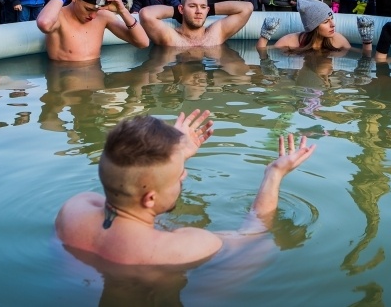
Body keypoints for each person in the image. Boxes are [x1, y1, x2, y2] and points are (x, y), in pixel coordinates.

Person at [55, 111, 315, 265]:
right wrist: (274, 173)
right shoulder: (185, 247)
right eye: (180, 174)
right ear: (149, 198)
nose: (185, 175)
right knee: (262, 247)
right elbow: (255, 231)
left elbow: (126, 181)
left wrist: (172, 158)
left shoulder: (74, 210)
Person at [36, 0, 149, 62]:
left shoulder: (102, 16)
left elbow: (143, 42)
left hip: (97, 87)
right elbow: (44, 23)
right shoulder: (59, 17)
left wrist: (123, 11)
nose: (93, 16)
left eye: (97, 10)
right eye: (88, 9)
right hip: (67, 87)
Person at [139, 0, 253, 47]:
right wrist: (178, 12)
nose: (199, 11)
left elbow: (247, 8)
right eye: (193, 6)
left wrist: (208, 9)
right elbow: (146, 14)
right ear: (181, 9)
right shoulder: (171, 37)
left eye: (203, 7)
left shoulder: (215, 34)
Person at [256, 0, 351, 54]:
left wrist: (366, 42)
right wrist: (265, 35)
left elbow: (364, 55)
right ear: (313, 26)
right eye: (326, 22)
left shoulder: (337, 40)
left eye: (332, 19)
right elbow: (262, 52)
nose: (333, 25)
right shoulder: (291, 41)